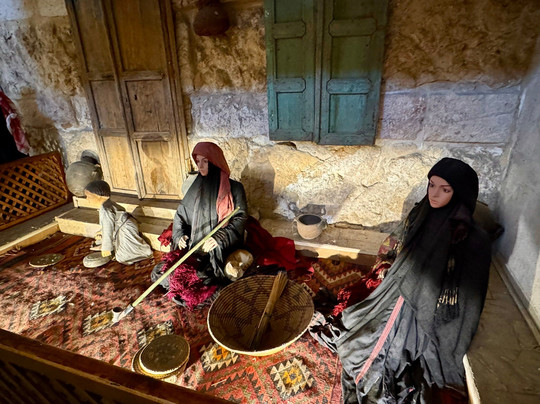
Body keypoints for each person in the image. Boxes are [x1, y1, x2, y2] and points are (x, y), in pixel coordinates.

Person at [310, 158, 492, 403]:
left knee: (380, 355)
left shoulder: (468, 237)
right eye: (432, 185)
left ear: (459, 193)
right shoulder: (422, 212)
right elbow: (400, 244)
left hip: (426, 306)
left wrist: (424, 296)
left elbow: (467, 294)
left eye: (445, 189)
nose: (434, 194)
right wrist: (390, 267)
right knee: (358, 333)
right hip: (397, 289)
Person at [151, 142, 248, 307]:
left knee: (209, 280)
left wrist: (219, 238)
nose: (200, 166)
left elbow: (241, 218)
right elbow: (181, 214)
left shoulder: (235, 188)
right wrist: (180, 235)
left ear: (215, 162)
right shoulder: (196, 186)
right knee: (160, 272)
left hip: (218, 249)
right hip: (193, 247)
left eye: (205, 161)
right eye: (198, 161)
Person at [84, 180, 153, 265]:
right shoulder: (107, 204)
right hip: (121, 225)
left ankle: (142, 252)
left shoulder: (106, 209)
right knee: (99, 240)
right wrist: (101, 232)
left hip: (126, 227)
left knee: (121, 257)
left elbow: (108, 229)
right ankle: (110, 246)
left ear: (98, 195)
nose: (87, 199)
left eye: (89, 196)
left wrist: (106, 248)